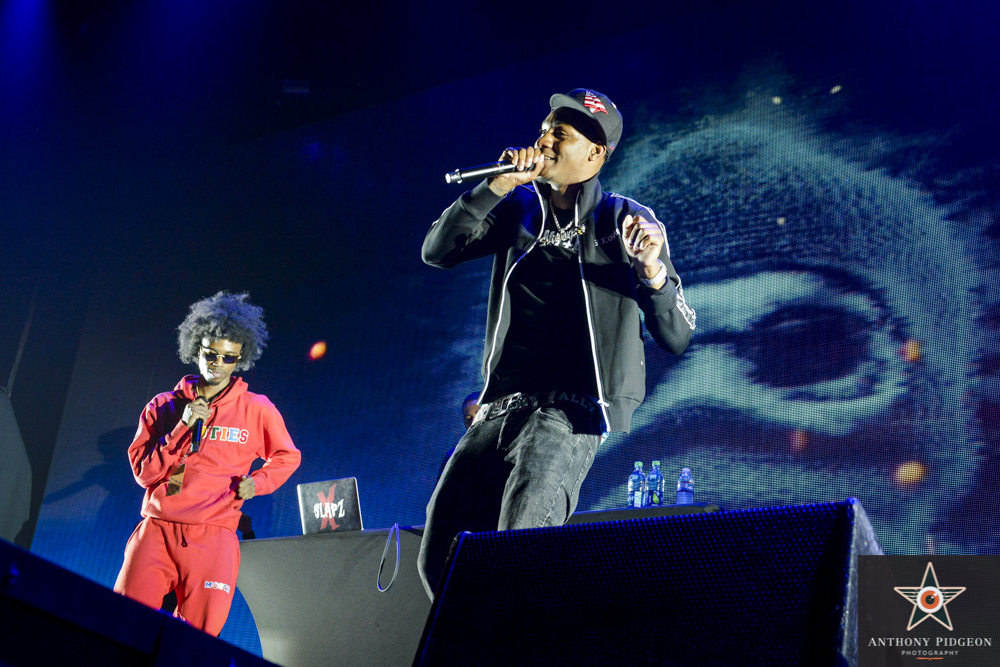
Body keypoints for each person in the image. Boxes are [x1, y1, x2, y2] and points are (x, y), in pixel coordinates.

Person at [417, 89, 696, 598]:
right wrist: (496, 186)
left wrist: (651, 272)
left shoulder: (625, 220)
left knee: (518, 554)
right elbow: (438, 251)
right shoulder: (517, 205)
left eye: (560, 135)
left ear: (595, 154)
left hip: (568, 415)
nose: (543, 140)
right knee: (441, 559)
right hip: (498, 410)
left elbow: (677, 336)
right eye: (544, 128)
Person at [114, 291, 301, 636]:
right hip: (157, 529)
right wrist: (181, 427)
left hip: (214, 536)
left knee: (196, 645)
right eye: (210, 354)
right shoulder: (164, 405)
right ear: (195, 348)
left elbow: (287, 456)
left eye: (228, 358)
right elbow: (144, 474)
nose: (217, 364)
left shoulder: (256, 408)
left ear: (240, 358)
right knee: (122, 627)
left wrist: (258, 483)